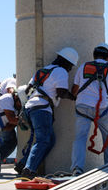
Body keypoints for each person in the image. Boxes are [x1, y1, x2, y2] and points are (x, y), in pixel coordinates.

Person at [15, 47, 79, 179]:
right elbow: (61, 92)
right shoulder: (61, 71)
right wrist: (74, 97)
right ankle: (29, 170)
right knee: (43, 141)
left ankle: (23, 164)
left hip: (31, 108)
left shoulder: (42, 70)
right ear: (66, 62)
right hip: (42, 109)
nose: (71, 69)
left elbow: (27, 89)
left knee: (49, 140)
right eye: (71, 65)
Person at [70, 43, 108, 176]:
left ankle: (77, 168)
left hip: (83, 107)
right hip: (102, 108)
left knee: (80, 138)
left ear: (94, 54)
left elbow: (75, 89)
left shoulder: (83, 67)